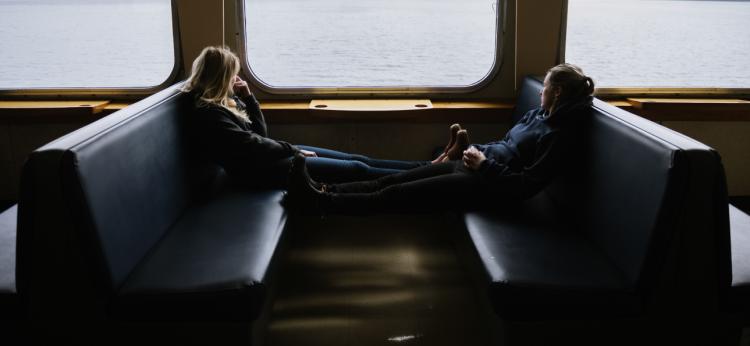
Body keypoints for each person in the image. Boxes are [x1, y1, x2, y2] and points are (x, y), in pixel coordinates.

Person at [288, 63, 595, 213]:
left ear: (556, 92)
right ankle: (324, 188)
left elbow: (527, 186)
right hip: (474, 167)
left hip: (489, 188)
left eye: (545, 88)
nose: (539, 92)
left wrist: (484, 165)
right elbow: (507, 147)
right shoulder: (539, 116)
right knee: (392, 181)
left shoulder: (560, 135)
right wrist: (474, 152)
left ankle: (321, 203)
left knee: (393, 197)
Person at [181, 46, 428, 188]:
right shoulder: (209, 114)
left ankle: (430, 167)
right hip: (258, 173)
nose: (236, 80)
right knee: (357, 169)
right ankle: (428, 175)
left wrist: (248, 97)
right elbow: (251, 144)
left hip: (265, 161)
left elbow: (259, 135)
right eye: (232, 76)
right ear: (221, 78)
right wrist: (293, 150)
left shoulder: (219, 105)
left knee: (357, 158)